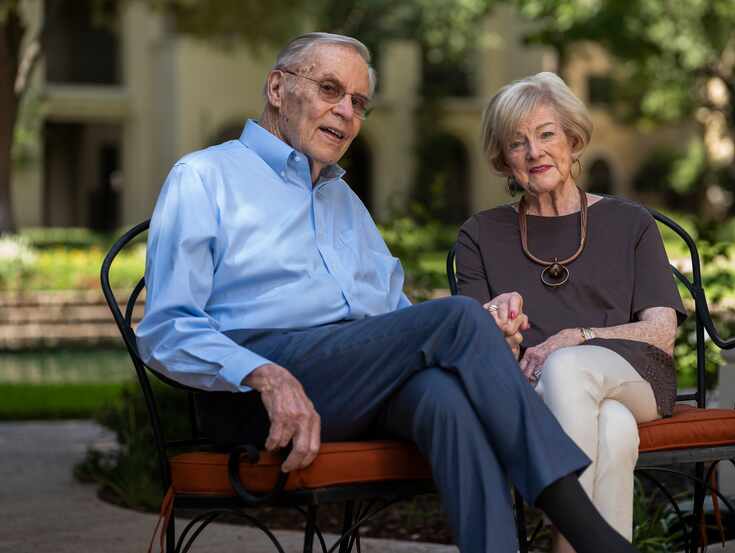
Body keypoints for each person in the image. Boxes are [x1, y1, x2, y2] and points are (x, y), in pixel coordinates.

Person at [137, 33, 640, 553]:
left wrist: (479, 341)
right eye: (330, 89)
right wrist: (262, 372)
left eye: (358, 102)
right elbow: (166, 329)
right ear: (277, 87)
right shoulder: (205, 176)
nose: (346, 111)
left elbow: (394, 323)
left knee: (444, 398)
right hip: (253, 388)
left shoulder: (343, 200)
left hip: (346, 381)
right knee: (458, 318)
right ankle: (592, 536)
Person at [456, 72, 686, 551]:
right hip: (535, 392)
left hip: (637, 376)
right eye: (517, 143)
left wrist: (576, 336)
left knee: (566, 364)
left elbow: (662, 331)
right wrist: (503, 328)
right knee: (615, 431)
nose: (534, 152)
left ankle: (564, 542)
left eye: (546, 134)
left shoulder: (629, 222)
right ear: (503, 159)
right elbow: (477, 347)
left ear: (573, 139)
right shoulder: (480, 234)